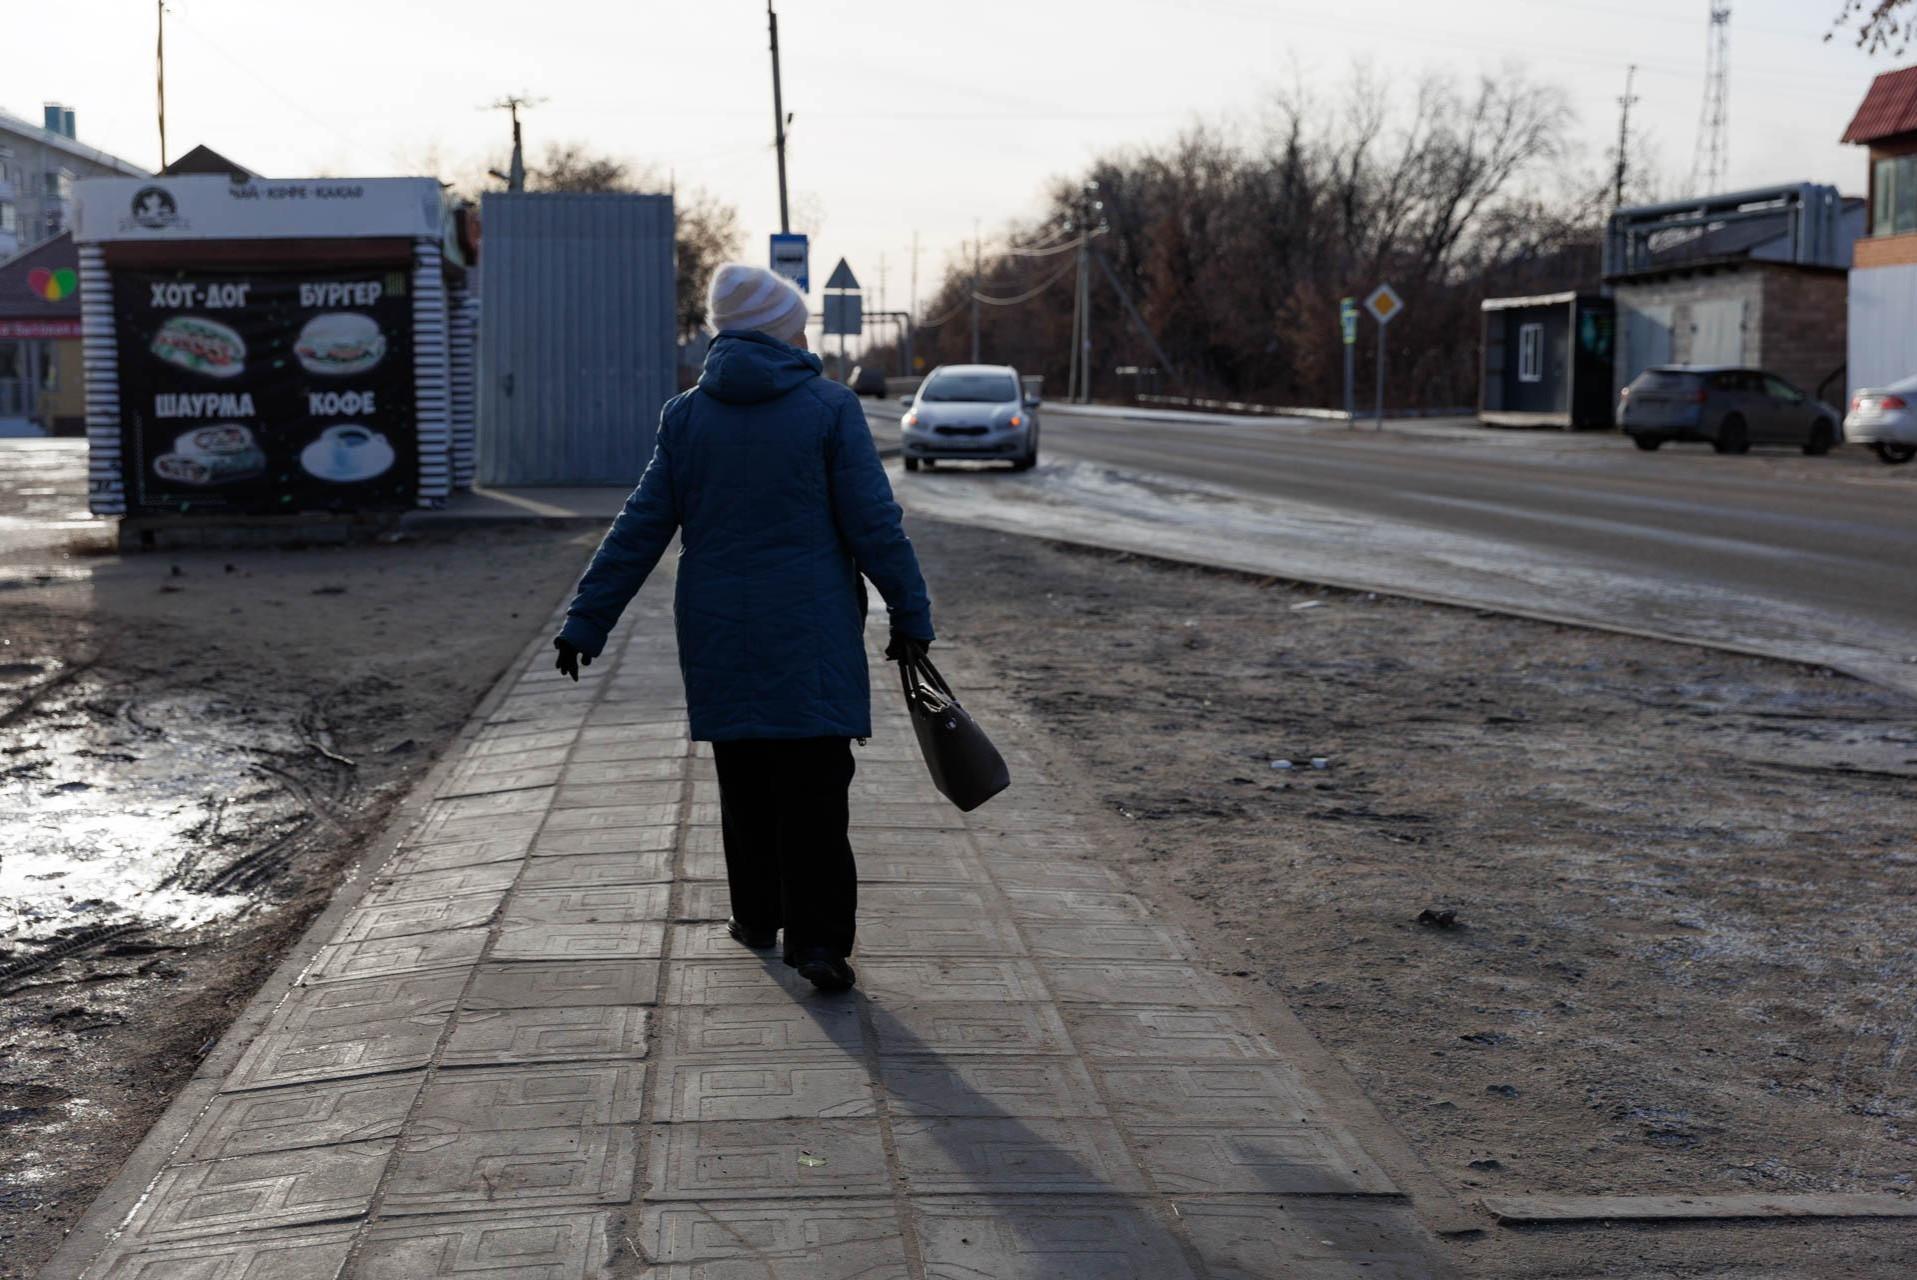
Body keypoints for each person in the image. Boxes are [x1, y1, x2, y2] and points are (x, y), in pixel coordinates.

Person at [552, 263, 933, 993]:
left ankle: (757, 916)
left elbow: (640, 526)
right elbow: (875, 525)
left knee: (745, 777)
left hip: (719, 629)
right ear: (780, 331)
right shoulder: (829, 408)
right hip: (811, 629)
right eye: (798, 323)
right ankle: (818, 944)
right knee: (815, 790)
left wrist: (585, 621)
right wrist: (910, 614)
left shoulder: (686, 416)